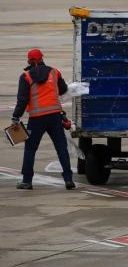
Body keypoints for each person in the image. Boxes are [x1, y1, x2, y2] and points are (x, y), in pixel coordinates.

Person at [11, 49, 74, 190]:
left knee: (30, 149)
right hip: (54, 116)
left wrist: (16, 117)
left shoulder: (26, 76)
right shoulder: (54, 72)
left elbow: (22, 100)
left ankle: (27, 181)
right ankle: (69, 179)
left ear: (29, 61)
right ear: (42, 58)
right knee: (61, 148)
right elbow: (63, 89)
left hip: (37, 118)